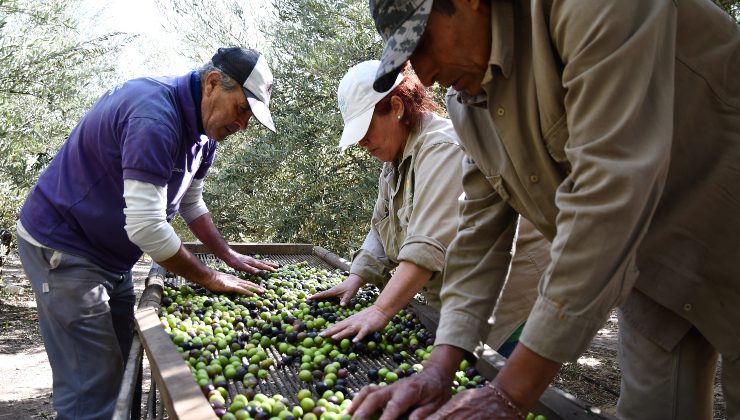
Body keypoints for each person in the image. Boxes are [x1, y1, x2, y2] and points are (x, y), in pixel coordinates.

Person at [349, 0, 740, 419]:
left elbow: (607, 195)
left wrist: (510, 392)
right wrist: (439, 367)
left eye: (422, 43)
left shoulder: (589, 9)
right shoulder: (469, 107)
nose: (423, 74)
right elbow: (478, 234)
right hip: (653, 270)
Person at [15, 47, 279, 419]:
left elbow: (191, 204)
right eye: (241, 110)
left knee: (123, 366)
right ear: (213, 83)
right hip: (65, 248)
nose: (242, 125)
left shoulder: (204, 137)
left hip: (110, 255)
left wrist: (228, 256)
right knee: (91, 388)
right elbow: (146, 226)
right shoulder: (154, 116)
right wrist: (210, 278)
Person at [308, 60, 550, 358]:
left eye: (366, 127)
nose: (361, 142)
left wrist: (381, 310)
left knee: (497, 389)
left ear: (396, 107)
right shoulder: (393, 162)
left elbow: (427, 246)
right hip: (464, 297)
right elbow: (380, 227)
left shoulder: (440, 147)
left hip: (509, 299)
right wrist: (355, 278)